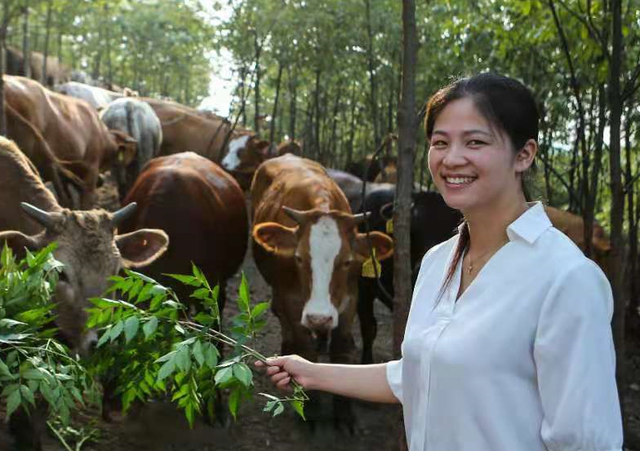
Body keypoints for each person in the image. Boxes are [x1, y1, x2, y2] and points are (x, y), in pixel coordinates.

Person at [255, 73, 623, 451]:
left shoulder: (567, 279)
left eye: (475, 142)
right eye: (440, 142)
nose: (452, 159)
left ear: (524, 155)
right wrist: (313, 372)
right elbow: (419, 375)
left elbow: (586, 441)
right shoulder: (436, 262)